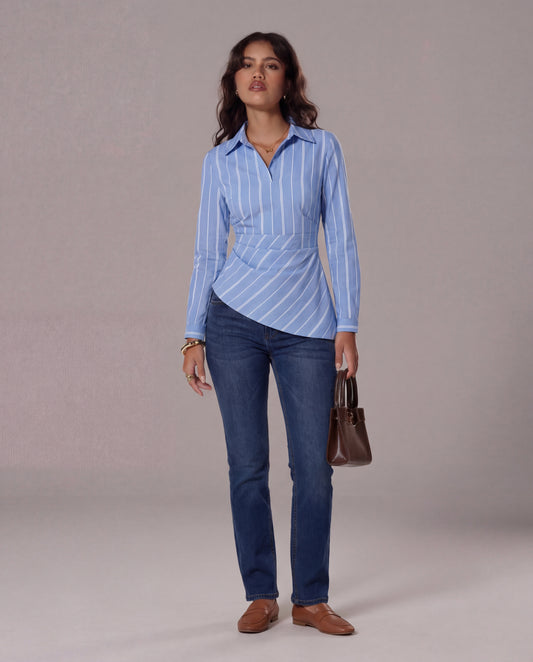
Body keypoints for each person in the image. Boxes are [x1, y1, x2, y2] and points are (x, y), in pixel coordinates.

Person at [182, 32, 360, 636]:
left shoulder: (321, 148)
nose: (257, 73)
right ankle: (261, 593)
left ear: (288, 79)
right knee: (247, 467)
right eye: (247, 65)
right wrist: (193, 334)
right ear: (235, 81)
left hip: (307, 324)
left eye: (271, 64)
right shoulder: (220, 161)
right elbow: (208, 253)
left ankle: (311, 598)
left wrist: (347, 322)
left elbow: (341, 239)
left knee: (313, 468)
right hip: (232, 321)